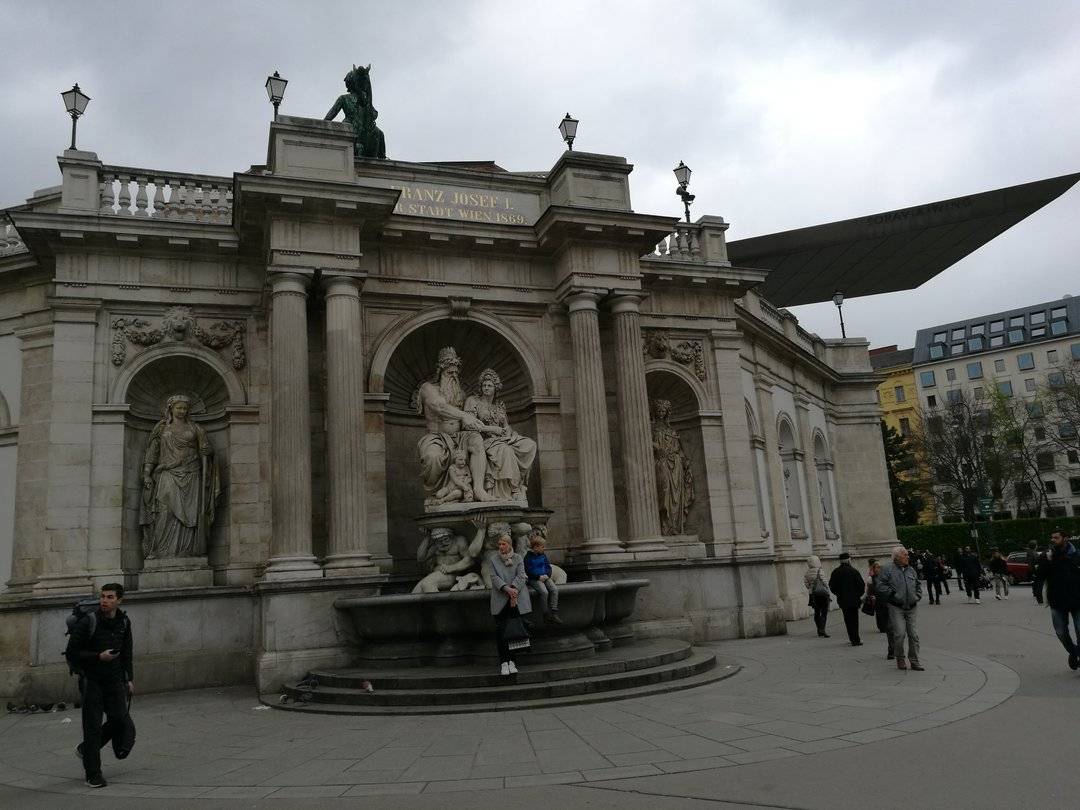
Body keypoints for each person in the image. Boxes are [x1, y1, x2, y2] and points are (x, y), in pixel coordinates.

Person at [64, 583, 134, 789]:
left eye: (110, 597)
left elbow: (127, 652)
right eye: (103, 596)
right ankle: (93, 774)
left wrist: (129, 679)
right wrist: (98, 656)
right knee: (92, 727)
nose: (105, 600)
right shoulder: (89, 621)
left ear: (119, 600)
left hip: (114, 680)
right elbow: (72, 653)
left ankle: (86, 749)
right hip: (92, 680)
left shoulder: (124, 622)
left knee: (119, 720)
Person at [1033, 529, 1080, 670]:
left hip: (1077, 599)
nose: (1053, 540)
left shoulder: (1076, 554)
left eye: (1056, 537)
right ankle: (1074, 652)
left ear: (1065, 538)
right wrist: (1038, 594)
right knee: (1061, 632)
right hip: (1057, 600)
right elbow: (1039, 575)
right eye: (1052, 537)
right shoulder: (1048, 556)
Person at [489, 533, 532, 676]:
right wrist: (506, 589)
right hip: (501, 598)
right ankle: (503, 662)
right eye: (499, 544)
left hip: (515, 599)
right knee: (501, 631)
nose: (501, 547)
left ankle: (512, 661)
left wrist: (513, 590)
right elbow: (494, 577)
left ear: (509, 545)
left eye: (503, 544)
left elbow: (521, 576)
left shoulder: (518, 558)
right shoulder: (493, 559)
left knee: (513, 630)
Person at [876, 546, 924, 671]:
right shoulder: (887, 569)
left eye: (907, 555)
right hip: (896, 607)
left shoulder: (911, 569)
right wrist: (893, 595)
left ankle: (914, 661)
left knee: (914, 635)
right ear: (897, 557)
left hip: (912, 606)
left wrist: (917, 596)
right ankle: (900, 658)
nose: (908, 557)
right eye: (905, 555)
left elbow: (918, 584)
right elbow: (880, 585)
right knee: (900, 634)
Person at [523, 530, 561, 623]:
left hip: (545, 577)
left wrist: (547, 575)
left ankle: (554, 612)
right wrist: (538, 577)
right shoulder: (528, 557)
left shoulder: (543, 555)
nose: (544, 548)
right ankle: (546, 614)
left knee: (554, 589)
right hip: (535, 579)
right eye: (542, 547)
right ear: (536, 547)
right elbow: (527, 571)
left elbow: (548, 567)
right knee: (544, 592)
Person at [829, 552, 865, 645]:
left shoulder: (836, 572)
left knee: (847, 619)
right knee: (854, 619)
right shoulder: (854, 571)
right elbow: (861, 585)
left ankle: (852, 638)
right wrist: (858, 595)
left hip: (843, 600)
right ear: (849, 560)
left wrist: (838, 594)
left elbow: (832, 586)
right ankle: (856, 639)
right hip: (854, 600)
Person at [867, 560, 894, 659]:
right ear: (874, 569)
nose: (879, 569)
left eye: (880, 567)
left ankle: (892, 650)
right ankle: (892, 649)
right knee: (889, 627)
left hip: (890, 604)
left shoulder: (887, 578)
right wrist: (871, 596)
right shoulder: (871, 579)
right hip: (879, 603)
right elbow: (869, 590)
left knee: (892, 628)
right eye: (877, 567)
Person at [804, 555, 830, 638]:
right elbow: (825, 582)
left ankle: (819, 629)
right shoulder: (820, 571)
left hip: (813, 595)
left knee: (817, 612)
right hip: (822, 594)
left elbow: (806, 585)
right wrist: (828, 591)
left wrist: (812, 587)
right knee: (824, 612)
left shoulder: (807, 573)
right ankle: (822, 629)